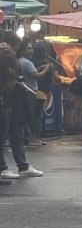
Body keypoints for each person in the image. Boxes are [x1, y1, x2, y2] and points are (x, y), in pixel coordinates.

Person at [0, 45, 44, 179]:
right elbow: (10, 79)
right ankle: (3, 167)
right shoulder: (7, 57)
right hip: (6, 100)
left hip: (9, 101)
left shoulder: (9, 55)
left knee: (14, 132)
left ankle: (22, 166)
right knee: (6, 134)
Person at [17, 38, 52, 147]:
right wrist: (48, 68)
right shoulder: (27, 62)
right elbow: (38, 76)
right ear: (22, 50)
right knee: (32, 116)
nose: (31, 50)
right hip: (31, 91)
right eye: (29, 48)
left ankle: (34, 138)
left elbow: (33, 72)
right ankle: (32, 138)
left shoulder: (22, 61)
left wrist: (40, 68)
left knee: (33, 115)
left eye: (32, 48)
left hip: (31, 91)